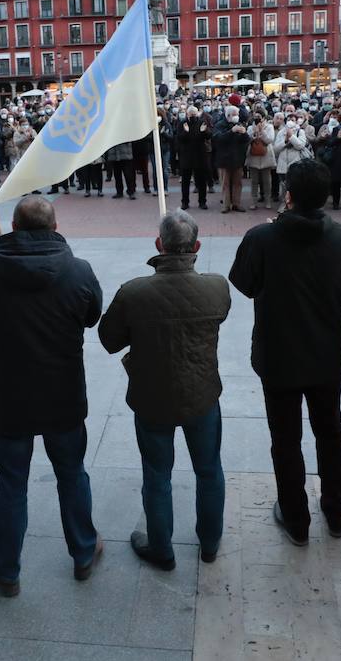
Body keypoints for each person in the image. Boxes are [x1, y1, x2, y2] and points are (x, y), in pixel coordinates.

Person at [0, 196, 103, 596]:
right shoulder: (77, 270)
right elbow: (92, 315)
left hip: (9, 396)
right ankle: (83, 552)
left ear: (13, 226)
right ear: (55, 226)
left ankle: (7, 567)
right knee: (72, 473)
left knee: (11, 482)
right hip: (63, 395)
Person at [229, 160, 341, 545]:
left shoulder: (262, 238)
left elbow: (243, 283)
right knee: (331, 432)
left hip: (279, 355)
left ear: (287, 195)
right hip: (326, 353)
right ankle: (335, 512)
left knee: (286, 439)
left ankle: (296, 517)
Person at [98, 210, 232, 569]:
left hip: (152, 396)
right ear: (197, 246)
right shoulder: (217, 286)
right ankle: (210, 542)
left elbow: (109, 340)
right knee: (208, 469)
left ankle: (162, 548)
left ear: (159, 245)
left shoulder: (134, 292)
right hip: (202, 394)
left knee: (157, 475)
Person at [212, 106, 250, 213]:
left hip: (237, 159)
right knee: (225, 184)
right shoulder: (220, 125)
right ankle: (226, 205)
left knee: (238, 183)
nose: (236, 117)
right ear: (228, 115)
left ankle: (236, 204)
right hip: (224, 160)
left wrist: (244, 133)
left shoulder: (239, 124)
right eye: (234, 114)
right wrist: (231, 131)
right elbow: (217, 139)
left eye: (237, 114)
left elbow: (247, 141)